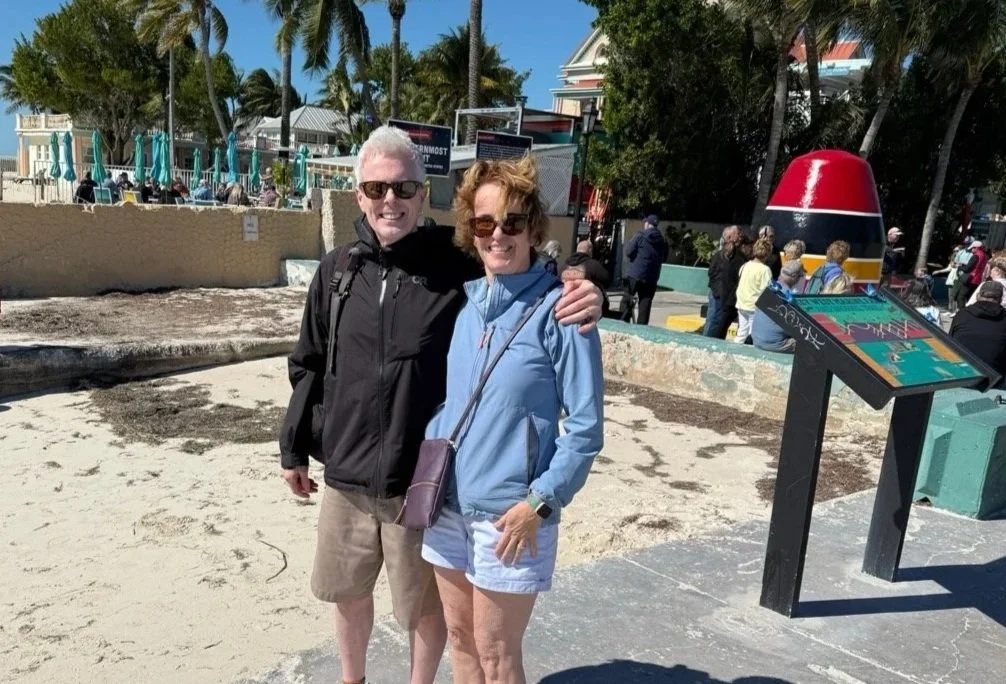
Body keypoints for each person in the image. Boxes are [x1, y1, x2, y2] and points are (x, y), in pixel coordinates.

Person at [278, 125, 602, 684]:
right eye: (377, 188)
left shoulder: (464, 273)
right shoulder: (347, 273)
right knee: (450, 635)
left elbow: (583, 419)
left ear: (423, 193)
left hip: (451, 493)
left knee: (470, 638)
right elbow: (308, 361)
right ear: (359, 194)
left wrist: (584, 283)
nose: (391, 200)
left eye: (404, 188)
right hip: (407, 488)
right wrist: (295, 446)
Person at [420, 156, 604, 684]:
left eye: (512, 222)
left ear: (532, 229)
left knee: (498, 656)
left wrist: (540, 503)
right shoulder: (468, 310)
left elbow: (586, 429)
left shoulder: (562, 312)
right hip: (448, 507)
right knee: (461, 643)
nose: (498, 234)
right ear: (470, 231)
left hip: (511, 517)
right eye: (484, 223)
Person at [951, 280, 1006, 386]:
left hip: (960, 377)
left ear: (978, 295)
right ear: (1000, 299)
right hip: (995, 380)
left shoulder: (962, 315)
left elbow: (950, 343)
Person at [620, 214, 669, 325]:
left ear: (648, 223)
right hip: (651, 277)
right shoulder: (663, 240)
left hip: (635, 274)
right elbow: (664, 258)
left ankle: (622, 324)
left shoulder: (640, 236)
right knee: (645, 304)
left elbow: (628, 251)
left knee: (627, 300)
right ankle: (641, 329)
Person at [751, 260, 806, 353]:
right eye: (800, 276)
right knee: (812, 344)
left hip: (757, 340)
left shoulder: (769, 287)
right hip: (773, 344)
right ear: (794, 276)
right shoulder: (788, 297)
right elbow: (796, 327)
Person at [734, 237, 774, 343]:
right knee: (753, 334)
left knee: (742, 332)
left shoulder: (745, 265)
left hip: (741, 304)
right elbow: (766, 290)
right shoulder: (765, 270)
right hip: (754, 307)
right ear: (767, 254)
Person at [703, 225, 741, 336]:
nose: (739, 236)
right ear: (729, 237)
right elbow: (712, 273)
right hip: (718, 294)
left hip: (725, 294)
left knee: (718, 323)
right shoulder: (720, 255)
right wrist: (719, 291)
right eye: (737, 234)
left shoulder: (735, 255)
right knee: (713, 321)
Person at [562, 240, 612, 318]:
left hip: (565, 305)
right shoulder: (594, 265)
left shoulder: (564, 266)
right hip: (588, 307)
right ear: (590, 250)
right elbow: (607, 280)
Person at [957, 240, 989, 310]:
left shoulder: (976, 256)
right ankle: (970, 313)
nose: (971, 250)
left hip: (970, 279)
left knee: (960, 297)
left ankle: (962, 313)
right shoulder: (985, 256)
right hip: (978, 280)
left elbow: (967, 269)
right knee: (970, 298)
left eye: (972, 248)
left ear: (976, 248)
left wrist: (959, 267)